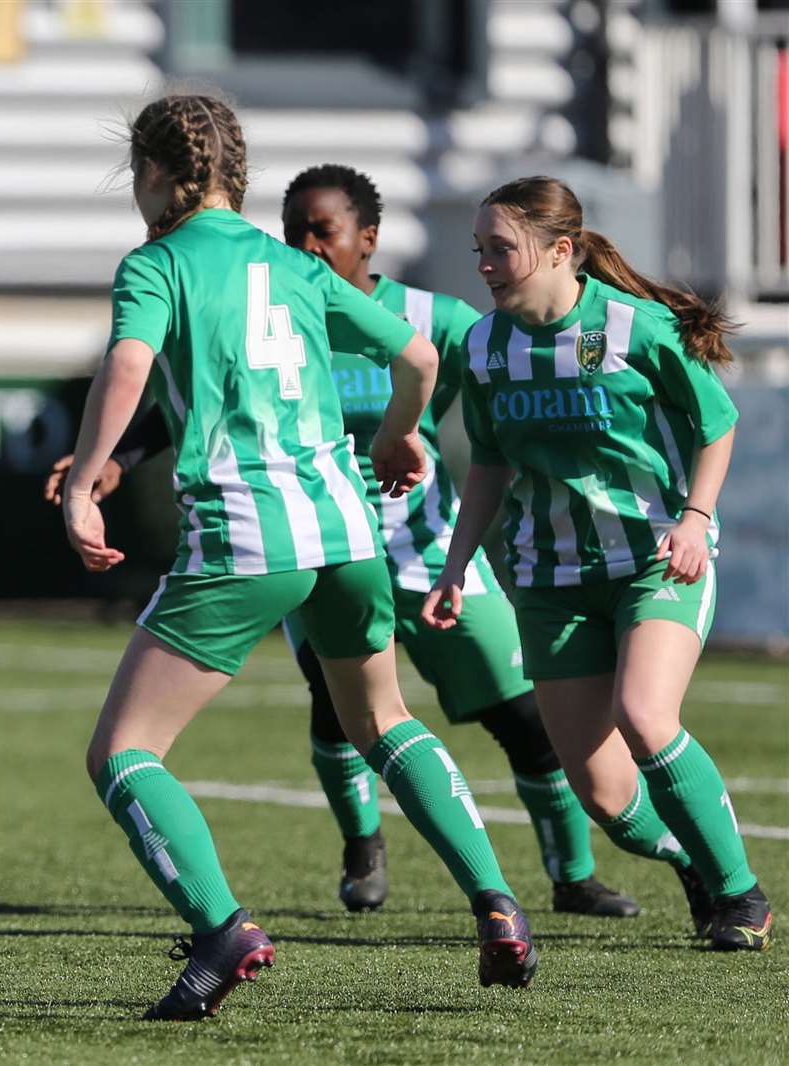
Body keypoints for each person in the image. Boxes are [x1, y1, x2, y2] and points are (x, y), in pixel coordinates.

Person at [48, 164, 707, 925]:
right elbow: (194, 396)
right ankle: (365, 848)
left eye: (322, 230)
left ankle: (574, 875)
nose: (306, 244)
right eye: (294, 227)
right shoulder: (288, 297)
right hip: (323, 538)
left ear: (369, 238)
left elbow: (527, 356)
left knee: (521, 717)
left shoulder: (433, 315)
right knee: (340, 711)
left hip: (425, 548)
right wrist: (122, 457)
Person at [61, 95, 537, 1021]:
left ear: (155, 173)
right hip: (348, 534)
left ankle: (221, 930)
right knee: (386, 722)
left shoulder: (157, 263)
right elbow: (419, 358)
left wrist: (85, 481)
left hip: (246, 535)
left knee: (123, 753)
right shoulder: (293, 264)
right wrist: (402, 437)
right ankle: (497, 903)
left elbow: (126, 366)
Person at [421, 175, 772, 952]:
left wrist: (695, 519)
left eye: (499, 250)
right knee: (608, 799)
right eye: (478, 250)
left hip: (655, 560)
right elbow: (487, 465)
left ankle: (743, 896)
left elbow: (718, 425)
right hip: (550, 583)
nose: (482, 265)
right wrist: (454, 569)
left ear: (560, 251)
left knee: (647, 718)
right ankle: (693, 862)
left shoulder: (633, 327)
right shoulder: (482, 346)